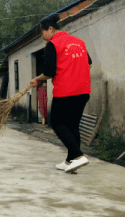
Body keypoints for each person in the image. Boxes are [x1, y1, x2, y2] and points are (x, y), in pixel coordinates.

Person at [30, 15, 92, 173]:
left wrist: (38, 78)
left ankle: (78, 156)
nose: (43, 37)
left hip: (66, 92)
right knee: (72, 126)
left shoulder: (53, 44)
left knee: (56, 123)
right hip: (83, 91)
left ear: (50, 29)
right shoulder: (79, 42)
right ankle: (70, 161)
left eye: (42, 33)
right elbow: (89, 63)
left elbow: (49, 73)